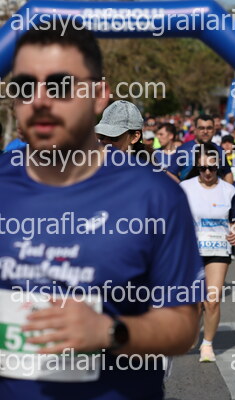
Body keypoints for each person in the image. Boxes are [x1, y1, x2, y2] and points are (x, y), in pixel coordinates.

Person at [0, 23, 203, 399]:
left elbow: (183, 327)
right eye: (25, 86)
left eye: (60, 86)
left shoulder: (157, 196)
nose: (40, 100)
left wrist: (109, 332)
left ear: (98, 96)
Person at [180, 143, 235, 363]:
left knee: (212, 300)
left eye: (212, 168)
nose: (207, 172)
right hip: (192, 250)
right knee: (194, 302)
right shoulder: (185, 188)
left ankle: (207, 344)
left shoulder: (229, 190)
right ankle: (192, 330)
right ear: (197, 166)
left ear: (219, 166)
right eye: (202, 168)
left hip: (218, 248)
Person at [167, 115, 233, 183]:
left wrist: (228, 189)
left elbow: (227, 173)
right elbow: (170, 173)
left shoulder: (220, 150)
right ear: (195, 130)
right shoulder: (183, 150)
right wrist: (182, 187)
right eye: (201, 128)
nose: (205, 131)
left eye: (209, 128)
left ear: (214, 130)